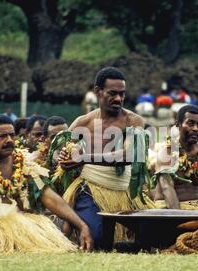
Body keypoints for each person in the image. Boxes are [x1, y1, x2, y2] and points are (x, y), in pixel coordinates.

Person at [0, 115, 93, 254]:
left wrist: (82, 226)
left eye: (11, 135)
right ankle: (22, 241)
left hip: (16, 222)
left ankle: (17, 241)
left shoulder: (20, 161)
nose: (9, 140)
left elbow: (49, 197)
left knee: (59, 224)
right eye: (2, 136)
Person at [57, 67, 154, 248]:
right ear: (97, 91)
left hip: (125, 191)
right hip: (90, 190)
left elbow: (129, 154)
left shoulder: (134, 121)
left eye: (122, 94)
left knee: (152, 238)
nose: (118, 98)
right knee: (99, 239)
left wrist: (84, 157)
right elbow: (63, 151)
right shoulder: (82, 122)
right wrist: (65, 155)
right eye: (112, 93)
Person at [151, 105, 198, 211]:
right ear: (178, 124)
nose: (195, 128)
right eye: (190, 123)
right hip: (169, 209)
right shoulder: (167, 152)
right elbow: (167, 188)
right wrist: (180, 218)